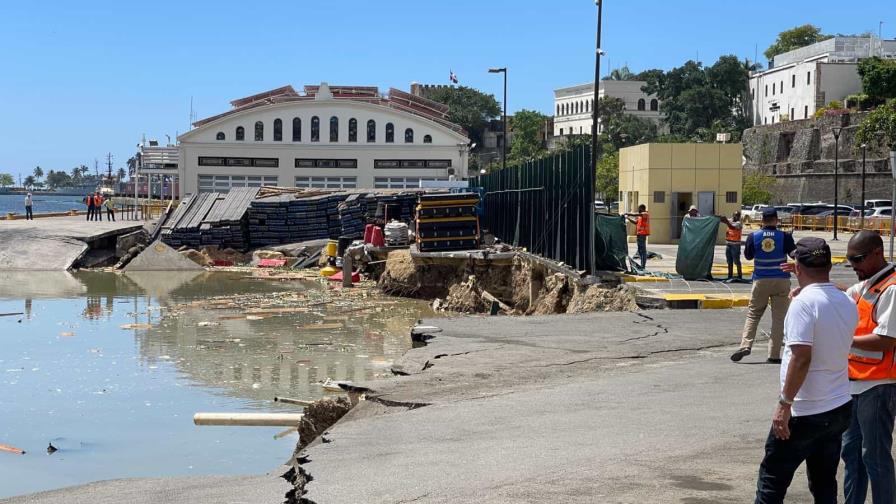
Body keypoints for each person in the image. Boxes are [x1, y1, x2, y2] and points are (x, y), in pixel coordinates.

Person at [754, 237, 856, 503]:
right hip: (838, 407)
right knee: (824, 483)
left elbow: (801, 357)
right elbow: (830, 295)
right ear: (828, 266)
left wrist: (784, 404)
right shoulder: (846, 301)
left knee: (771, 482)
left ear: (797, 267)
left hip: (805, 412)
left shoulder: (803, 304)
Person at [841, 230, 896, 504]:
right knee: (851, 454)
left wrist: (843, 341)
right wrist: (810, 284)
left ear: (878, 252)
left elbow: (886, 340)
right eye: (850, 260)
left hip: (879, 385)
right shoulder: (868, 283)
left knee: (874, 457)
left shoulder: (892, 288)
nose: (854, 266)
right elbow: (844, 294)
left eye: (858, 259)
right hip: (855, 383)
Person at [731, 208, 796, 363]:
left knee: (753, 314)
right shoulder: (784, 236)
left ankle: (746, 345)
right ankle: (774, 355)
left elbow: (748, 256)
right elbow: (794, 254)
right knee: (779, 318)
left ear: (762, 220)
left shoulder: (754, 236)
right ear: (776, 219)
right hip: (781, 280)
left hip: (761, 279)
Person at [625, 204, 650, 271]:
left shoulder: (645, 214)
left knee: (643, 251)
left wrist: (627, 213)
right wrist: (628, 218)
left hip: (642, 234)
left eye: (639, 208)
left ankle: (643, 266)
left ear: (642, 208)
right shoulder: (640, 216)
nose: (638, 210)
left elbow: (635, 214)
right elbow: (635, 222)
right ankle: (642, 265)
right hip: (639, 235)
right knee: (640, 250)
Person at [721, 211, 744, 282]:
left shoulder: (739, 223)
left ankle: (739, 275)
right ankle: (729, 275)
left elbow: (731, 227)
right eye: (735, 215)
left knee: (736, 261)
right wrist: (719, 218)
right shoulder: (730, 220)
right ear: (733, 215)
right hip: (728, 244)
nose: (736, 217)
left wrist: (726, 221)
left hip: (735, 245)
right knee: (729, 261)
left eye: (737, 215)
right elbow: (724, 221)